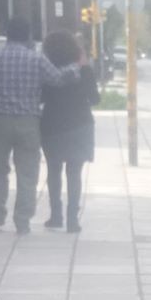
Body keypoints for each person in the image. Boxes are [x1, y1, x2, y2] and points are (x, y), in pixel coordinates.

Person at [0, 17, 78, 235]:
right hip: (28, 121)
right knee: (27, 173)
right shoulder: (37, 60)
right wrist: (75, 67)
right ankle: (22, 221)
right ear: (27, 36)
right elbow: (57, 79)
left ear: (7, 34)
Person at [39, 30, 98, 234]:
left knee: (53, 171)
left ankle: (56, 216)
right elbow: (95, 99)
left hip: (52, 125)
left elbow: (41, 97)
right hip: (80, 125)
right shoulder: (84, 71)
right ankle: (73, 220)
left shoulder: (48, 72)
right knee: (74, 173)